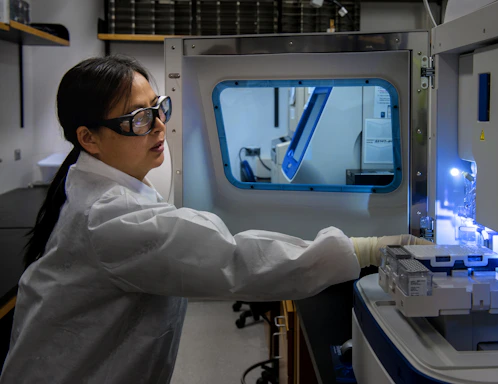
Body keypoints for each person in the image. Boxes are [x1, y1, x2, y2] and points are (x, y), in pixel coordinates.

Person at [0, 55, 428, 384]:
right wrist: (370, 249)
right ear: (88, 138)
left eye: (158, 107)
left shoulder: (101, 189)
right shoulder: (109, 218)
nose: (159, 126)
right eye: (138, 118)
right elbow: (234, 261)